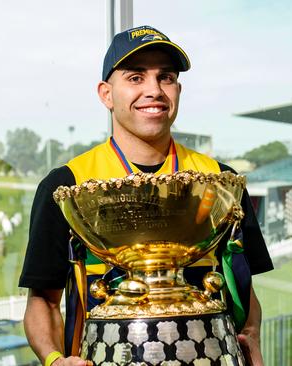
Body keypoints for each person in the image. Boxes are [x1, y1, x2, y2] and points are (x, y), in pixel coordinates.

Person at [19, 25, 273, 366]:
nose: (153, 90)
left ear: (178, 90)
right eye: (136, 77)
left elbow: (244, 287)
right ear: (106, 94)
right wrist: (54, 360)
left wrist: (252, 340)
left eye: (165, 77)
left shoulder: (221, 180)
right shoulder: (69, 185)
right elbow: (44, 301)